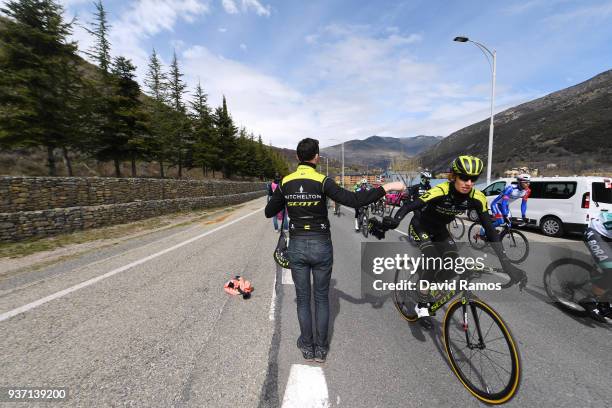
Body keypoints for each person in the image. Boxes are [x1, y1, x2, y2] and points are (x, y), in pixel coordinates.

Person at [265, 138, 404, 362]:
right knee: (321, 298)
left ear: (298, 157)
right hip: (321, 243)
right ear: (316, 157)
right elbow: (355, 200)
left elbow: (269, 211)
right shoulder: (323, 181)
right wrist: (386, 187)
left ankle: (306, 345)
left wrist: (288, 199)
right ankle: (321, 349)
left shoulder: (286, 182)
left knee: (303, 299)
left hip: (298, 245)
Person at [371, 155, 527, 327]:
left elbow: (490, 230)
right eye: (464, 177)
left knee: (452, 263)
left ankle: (427, 284)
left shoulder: (477, 197)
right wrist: (396, 219)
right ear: (454, 176)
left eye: (473, 179)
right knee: (431, 257)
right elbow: (410, 206)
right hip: (421, 227)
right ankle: (422, 305)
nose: (468, 182)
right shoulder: (442, 190)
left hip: (440, 231)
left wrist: (506, 262)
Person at [579, 210, 612, 321]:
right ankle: (590, 301)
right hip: (596, 233)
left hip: (608, 236)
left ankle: (605, 304)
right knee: (610, 270)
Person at [478, 174, 531, 238]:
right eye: (525, 182)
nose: (528, 184)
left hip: (505, 206)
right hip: (496, 204)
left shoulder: (527, 191)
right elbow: (504, 201)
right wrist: (505, 215)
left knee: (509, 223)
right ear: (519, 182)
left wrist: (523, 216)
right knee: (500, 221)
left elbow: (524, 204)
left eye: (528, 182)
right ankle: (485, 228)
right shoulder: (510, 188)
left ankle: (498, 237)